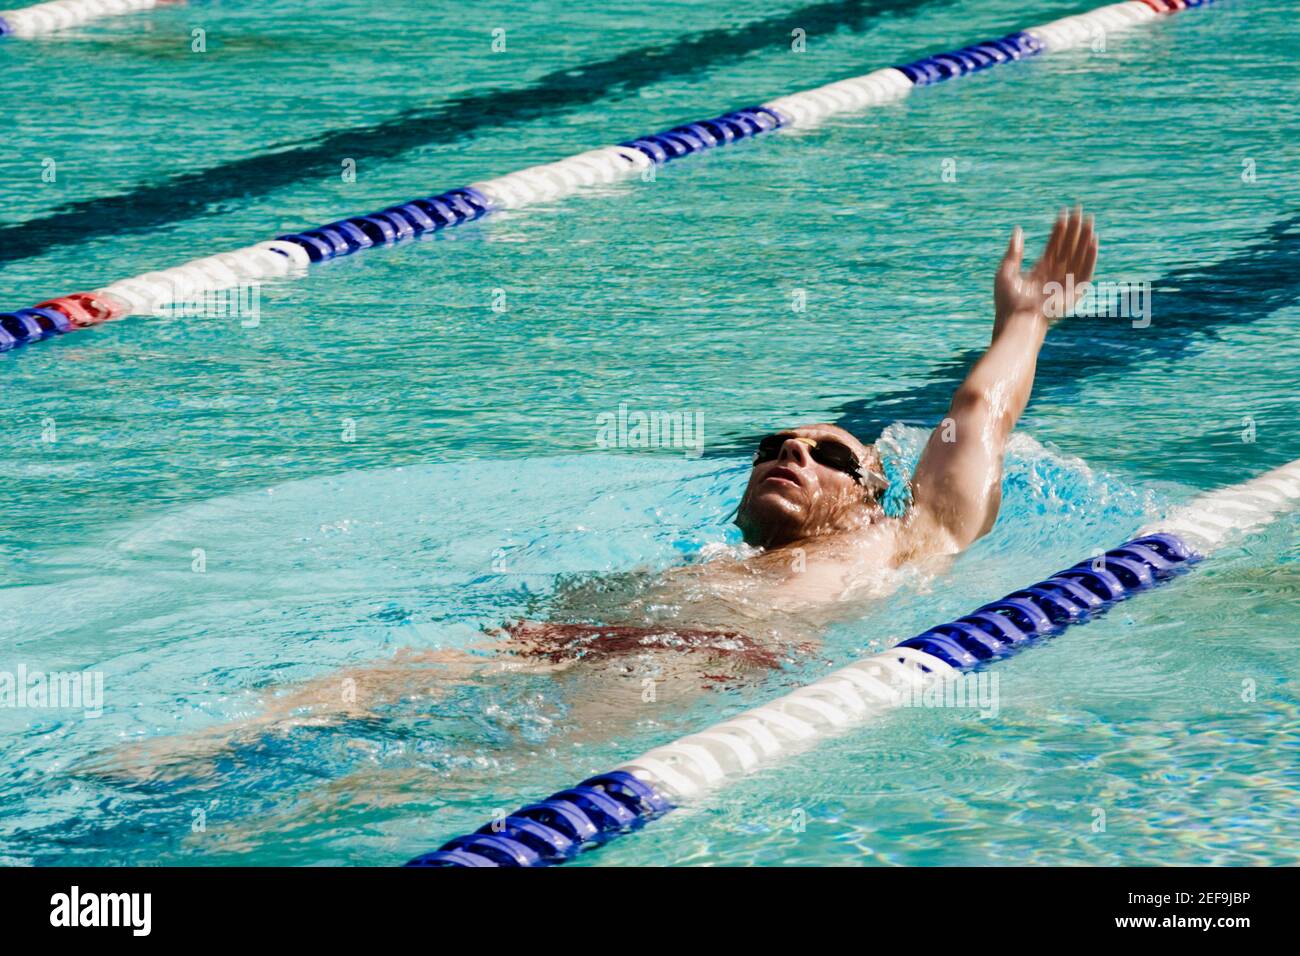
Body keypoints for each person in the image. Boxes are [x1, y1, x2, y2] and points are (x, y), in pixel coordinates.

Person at [98, 206, 1098, 777]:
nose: (789, 454)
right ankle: (141, 767)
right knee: (334, 692)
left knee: (407, 771)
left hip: (679, 669)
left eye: (825, 452)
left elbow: (977, 413)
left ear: (874, 490)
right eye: (771, 444)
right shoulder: (714, 553)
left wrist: (1026, 322)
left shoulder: (908, 540)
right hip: (547, 639)